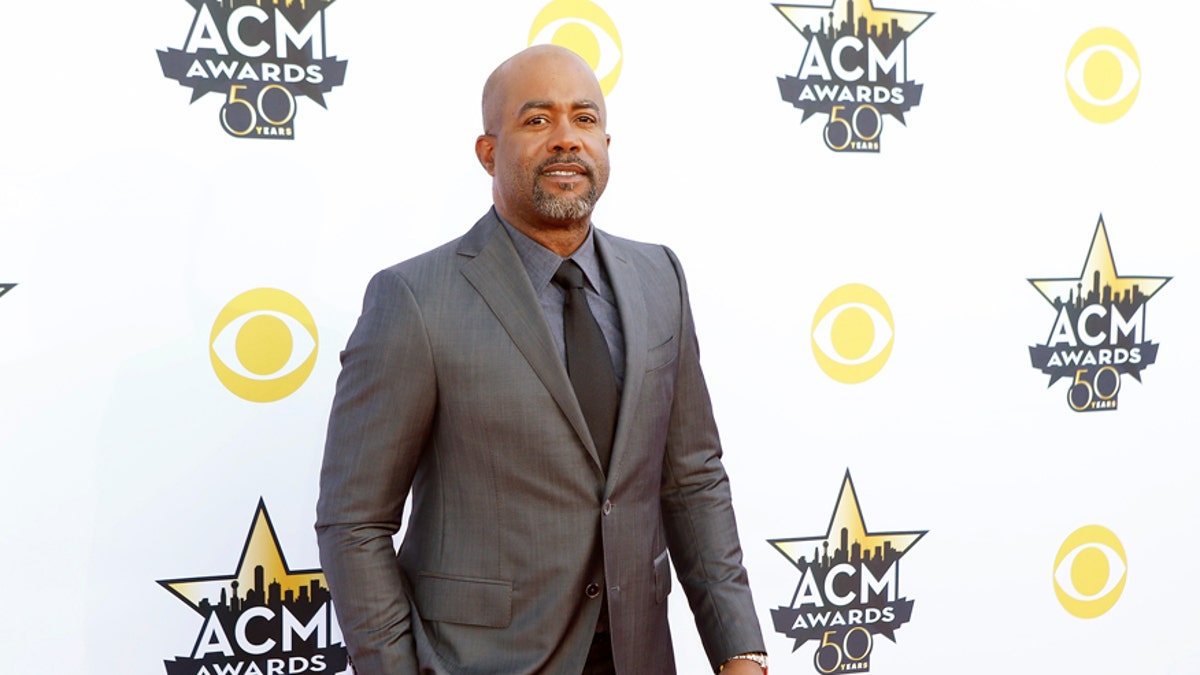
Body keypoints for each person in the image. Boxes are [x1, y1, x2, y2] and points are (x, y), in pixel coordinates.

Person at [315, 45, 767, 675]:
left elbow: (692, 480)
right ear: (487, 151)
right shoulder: (414, 299)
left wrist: (739, 649)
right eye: (536, 120)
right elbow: (353, 521)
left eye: (583, 120)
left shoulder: (659, 276)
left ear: (607, 141)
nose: (565, 140)